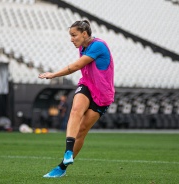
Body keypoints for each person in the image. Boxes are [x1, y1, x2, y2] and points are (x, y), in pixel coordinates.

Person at [39, 20, 115, 178]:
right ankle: (68, 151)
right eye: (70, 36)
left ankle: (62, 168)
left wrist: (52, 75)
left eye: (74, 35)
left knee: (81, 131)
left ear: (85, 34)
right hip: (87, 85)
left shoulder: (98, 46)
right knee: (75, 111)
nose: (71, 39)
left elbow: (75, 67)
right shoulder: (82, 46)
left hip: (102, 95)